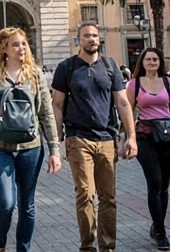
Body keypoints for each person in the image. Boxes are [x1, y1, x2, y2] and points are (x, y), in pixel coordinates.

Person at [0, 27, 61, 252]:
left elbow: (47, 113)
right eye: (15, 44)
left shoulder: (35, 74)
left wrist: (54, 149)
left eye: (23, 44)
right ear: (3, 49)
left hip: (31, 148)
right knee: (6, 202)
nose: (21, 48)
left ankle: (24, 249)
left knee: (27, 205)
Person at [52, 22, 137, 252]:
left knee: (108, 197)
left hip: (107, 139)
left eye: (95, 36)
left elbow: (122, 102)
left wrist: (131, 136)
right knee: (85, 194)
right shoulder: (66, 68)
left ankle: (107, 246)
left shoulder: (110, 67)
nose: (92, 39)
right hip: (78, 138)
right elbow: (57, 105)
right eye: (87, 36)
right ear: (78, 39)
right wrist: (55, 141)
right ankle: (87, 246)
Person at [128, 47, 170, 251]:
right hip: (145, 136)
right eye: (148, 59)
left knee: (164, 186)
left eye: (155, 59)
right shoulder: (134, 84)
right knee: (155, 183)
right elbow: (127, 112)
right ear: (142, 62)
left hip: (167, 137)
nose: (152, 62)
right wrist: (128, 138)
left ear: (160, 62)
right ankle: (161, 233)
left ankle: (156, 224)